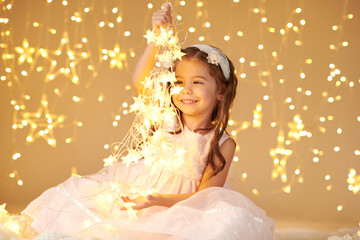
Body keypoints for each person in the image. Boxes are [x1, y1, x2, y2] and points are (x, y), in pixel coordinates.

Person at [19, 3, 275, 240]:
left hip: (177, 205)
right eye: (178, 82)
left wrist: (156, 199)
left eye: (197, 82)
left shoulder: (222, 143)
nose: (186, 90)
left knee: (222, 223)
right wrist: (157, 35)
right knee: (86, 208)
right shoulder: (169, 118)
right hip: (137, 192)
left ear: (221, 91)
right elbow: (139, 79)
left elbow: (206, 196)